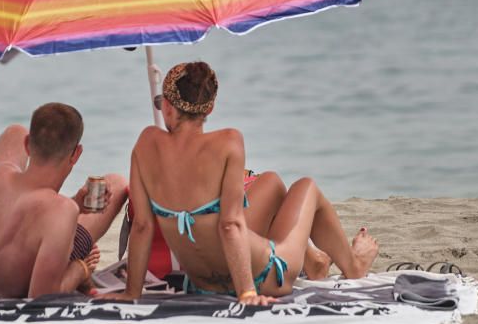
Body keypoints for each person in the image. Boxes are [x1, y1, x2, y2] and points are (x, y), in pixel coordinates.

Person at [103, 61, 378, 306]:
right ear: (209, 107)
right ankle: (353, 265)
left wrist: (132, 292)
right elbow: (229, 224)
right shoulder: (228, 141)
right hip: (263, 277)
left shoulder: (146, 143)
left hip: (200, 285)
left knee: (270, 182)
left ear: (165, 105)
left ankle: (315, 261)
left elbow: (141, 225)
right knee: (306, 187)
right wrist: (246, 292)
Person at [0, 103, 127, 298]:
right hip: (12, 284)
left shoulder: (1, 172)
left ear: (28, 144)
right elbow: (41, 297)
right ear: (76, 154)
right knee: (117, 183)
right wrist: (79, 270)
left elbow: (30, 206)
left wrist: (75, 203)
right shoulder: (64, 210)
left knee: (14, 131)